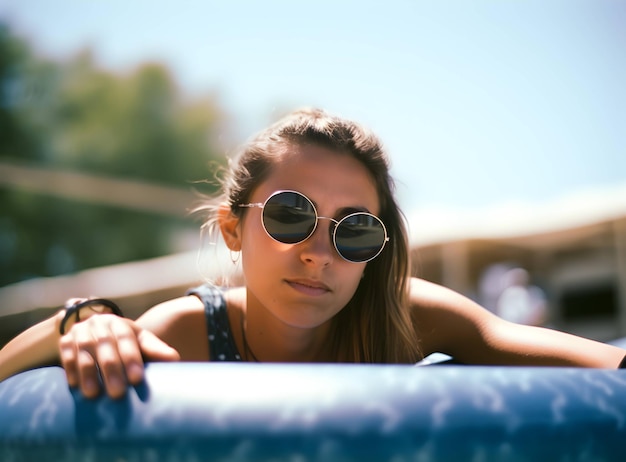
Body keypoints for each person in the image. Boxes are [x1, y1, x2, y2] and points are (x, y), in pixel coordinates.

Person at [0, 108, 624, 400]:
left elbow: (605, 367)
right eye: (291, 217)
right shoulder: (184, 335)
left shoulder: (404, 318)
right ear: (232, 230)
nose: (320, 254)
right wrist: (76, 324)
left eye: (354, 232)